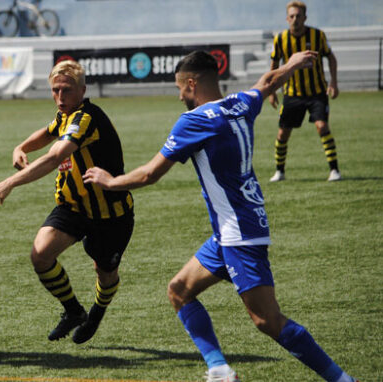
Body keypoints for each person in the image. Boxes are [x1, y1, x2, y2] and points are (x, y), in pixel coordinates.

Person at [82, 50, 358, 382]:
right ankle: (220, 370)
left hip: (239, 233)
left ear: (191, 83)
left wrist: (110, 182)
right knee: (179, 290)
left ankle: (342, 380)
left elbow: (149, 174)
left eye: (180, 89)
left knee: (268, 321)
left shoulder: (194, 120)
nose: (180, 97)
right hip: (232, 229)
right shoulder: (240, 103)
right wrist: (293, 64)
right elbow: (267, 82)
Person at [0, 60, 134, 345]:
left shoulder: (85, 118)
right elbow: (47, 132)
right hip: (73, 207)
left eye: (66, 90)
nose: (59, 97)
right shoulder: (65, 115)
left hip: (110, 214)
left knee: (105, 274)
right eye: (55, 90)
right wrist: (21, 147)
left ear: (82, 90)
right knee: (40, 254)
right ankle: (73, 311)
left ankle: (96, 312)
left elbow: (56, 156)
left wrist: (10, 182)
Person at [268, 1, 340, 182]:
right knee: (283, 133)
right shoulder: (280, 39)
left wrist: (334, 82)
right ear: (287, 18)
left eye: (298, 16)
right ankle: (280, 171)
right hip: (292, 94)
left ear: (304, 18)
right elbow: (274, 64)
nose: (295, 19)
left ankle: (334, 170)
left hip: (317, 92)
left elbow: (331, 58)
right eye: (291, 16)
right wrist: (271, 90)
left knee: (322, 126)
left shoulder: (318, 36)